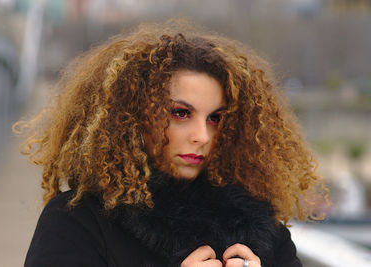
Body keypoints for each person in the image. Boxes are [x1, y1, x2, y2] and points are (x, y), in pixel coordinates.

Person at [16, 19, 327, 267]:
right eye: (180, 113)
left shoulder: (262, 229)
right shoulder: (77, 222)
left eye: (215, 118)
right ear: (131, 116)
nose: (202, 136)